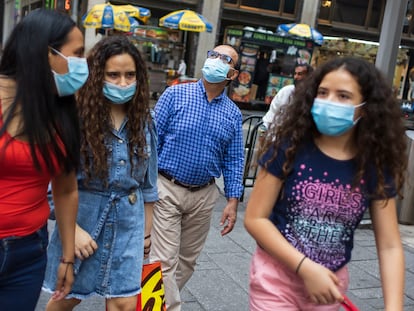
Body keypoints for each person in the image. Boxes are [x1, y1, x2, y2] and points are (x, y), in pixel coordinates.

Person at [244, 57, 406, 311]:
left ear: (365, 108)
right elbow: (255, 219)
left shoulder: (374, 164)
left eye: (343, 96)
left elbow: (389, 245)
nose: (329, 102)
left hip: (329, 287)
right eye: (322, 92)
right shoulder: (287, 147)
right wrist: (305, 268)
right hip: (275, 280)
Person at [43, 35, 158, 310]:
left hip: (128, 225)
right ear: (97, 76)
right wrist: (73, 231)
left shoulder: (143, 120)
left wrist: (146, 233)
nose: (122, 83)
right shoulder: (76, 118)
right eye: (113, 75)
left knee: (125, 303)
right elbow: (52, 189)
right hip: (82, 223)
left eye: (130, 75)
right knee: (64, 299)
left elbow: (148, 186)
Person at [0, 8, 86, 310]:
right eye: (76, 54)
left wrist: (66, 257)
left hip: (29, 253)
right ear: (45, 53)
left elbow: (65, 189)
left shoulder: (60, 109)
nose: (82, 64)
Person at [150, 44, 244, 311]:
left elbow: (235, 158)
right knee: (163, 260)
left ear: (233, 73)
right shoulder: (175, 94)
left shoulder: (233, 114)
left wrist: (233, 200)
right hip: (166, 187)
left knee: (187, 262)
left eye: (224, 58)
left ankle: (155, 303)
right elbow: (153, 140)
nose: (215, 60)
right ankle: (168, 307)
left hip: (204, 195)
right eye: (212, 55)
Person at [261, 63, 313, 130]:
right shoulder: (286, 91)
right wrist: (263, 131)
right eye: (295, 73)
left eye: (300, 74)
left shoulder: (314, 96)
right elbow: (271, 115)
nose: (296, 77)